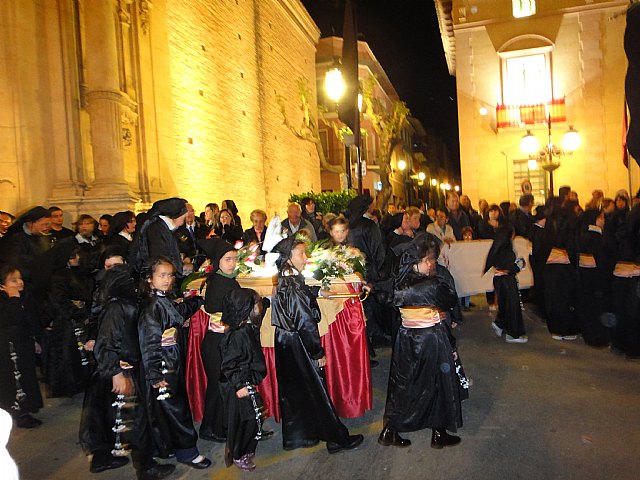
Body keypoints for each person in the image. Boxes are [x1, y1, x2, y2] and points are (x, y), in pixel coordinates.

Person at [79, 265, 175, 479]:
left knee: (107, 419)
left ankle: (102, 458)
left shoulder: (123, 304)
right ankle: (146, 468)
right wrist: (116, 373)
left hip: (122, 368)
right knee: (137, 422)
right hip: (121, 371)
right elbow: (106, 343)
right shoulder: (118, 308)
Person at [270, 236, 363, 453]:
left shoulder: (286, 278)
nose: (306, 257)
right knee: (317, 388)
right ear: (288, 258)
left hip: (286, 341)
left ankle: (304, 436)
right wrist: (317, 351)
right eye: (301, 254)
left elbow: (300, 294)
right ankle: (337, 438)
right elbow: (304, 322)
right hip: (298, 343)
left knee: (298, 390)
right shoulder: (291, 283)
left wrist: (319, 292)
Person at [378, 234, 464, 449]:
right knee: (438, 383)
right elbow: (450, 299)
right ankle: (438, 434)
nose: (433, 264)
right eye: (431, 261)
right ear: (424, 262)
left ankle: (390, 430)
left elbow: (384, 297)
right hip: (431, 337)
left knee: (405, 383)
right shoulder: (433, 284)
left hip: (406, 338)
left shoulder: (399, 282)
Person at [138, 257, 211, 469]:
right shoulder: (152, 306)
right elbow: (149, 343)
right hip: (163, 363)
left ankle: (168, 447)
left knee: (168, 407)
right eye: (162, 275)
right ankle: (188, 452)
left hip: (171, 358)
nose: (167, 279)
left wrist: (197, 301)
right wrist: (155, 374)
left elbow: (178, 313)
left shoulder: (163, 299)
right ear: (150, 279)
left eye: (170, 275)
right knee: (175, 408)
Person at [196, 238, 240, 442]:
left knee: (223, 385)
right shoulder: (218, 283)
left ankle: (223, 426)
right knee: (218, 386)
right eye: (227, 259)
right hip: (217, 342)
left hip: (223, 341)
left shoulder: (227, 280)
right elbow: (219, 308)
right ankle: (212, 429)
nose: (232, 263)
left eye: (234, 259)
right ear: (218, 261)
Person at [219, 288, 268, 472]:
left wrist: (268, 301)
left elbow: (258, 321)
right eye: (256, 304)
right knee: (250, 417)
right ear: (246, 309)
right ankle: (240, 454)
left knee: (254, 415)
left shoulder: (247, 325)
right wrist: (240, 385)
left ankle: (247, 447)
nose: (259, 308)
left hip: (247, 378)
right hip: (240, 383)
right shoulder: (238, 334)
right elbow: (229, 363)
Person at [0, 265, 43, 429]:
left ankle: (26, 410)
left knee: (26, 376)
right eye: (13, 280)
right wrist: (13, 298)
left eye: (20, 278)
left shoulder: (25, 297)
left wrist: (34, 340)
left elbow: (29, 321)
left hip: (23, 345)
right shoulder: (8, 300)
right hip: (7, 349)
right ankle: (18, 413)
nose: (19, 283)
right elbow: (13, 318)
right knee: (13, 380)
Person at [130, 197, 190, 282]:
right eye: (183, 218)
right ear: (176, 215)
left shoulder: (162, 227)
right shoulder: (157, 229)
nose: (183, 222)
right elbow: (159, 260)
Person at [485, 225, 528, 343]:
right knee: (512, 306)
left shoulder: (499, 247)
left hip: (499, 280)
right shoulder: (507, 249)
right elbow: (509, 268)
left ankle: (499, 324)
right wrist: (520, 265)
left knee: (504, 304)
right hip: (507, 281)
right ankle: (513, 334)